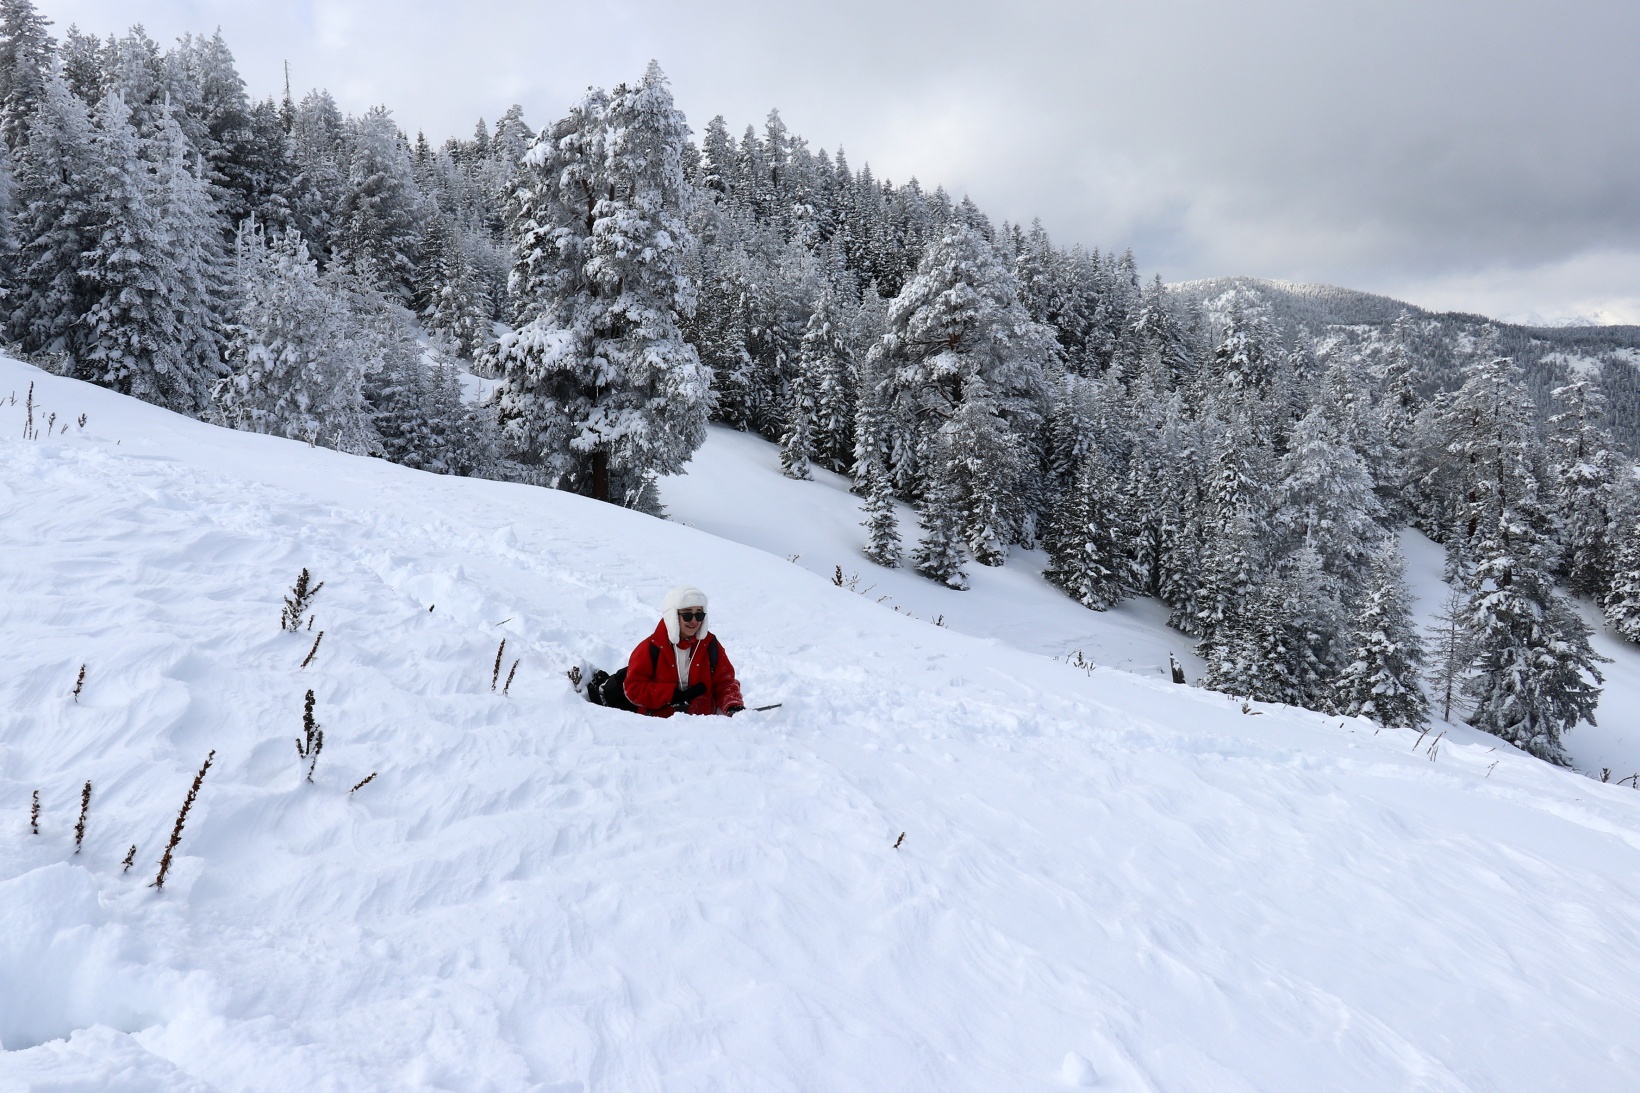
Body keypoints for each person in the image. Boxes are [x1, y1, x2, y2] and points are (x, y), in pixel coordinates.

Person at [590, 586, 744, 716]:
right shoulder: (650, 647)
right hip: (660, 731)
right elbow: (633, 688)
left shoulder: (711, 645)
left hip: (702, 727)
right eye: (688, 615)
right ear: (672, 616)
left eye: (699, 614)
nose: (695, 621)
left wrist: (733, 704)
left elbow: (725, 682)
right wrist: (669, 694)